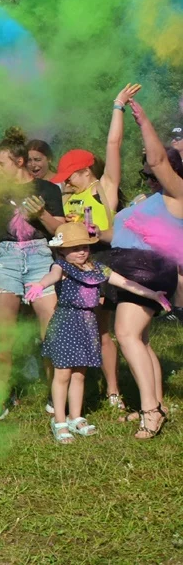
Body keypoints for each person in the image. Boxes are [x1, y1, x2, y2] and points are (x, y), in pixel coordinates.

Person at [27, 222, 170, 443]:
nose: (81, 251)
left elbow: (125, 282)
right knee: (63, 374)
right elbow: (52, 277)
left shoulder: (97, 268)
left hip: (87, 325)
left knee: (79, 374)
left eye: (84, 246)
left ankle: (76, 417)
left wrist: (153, 295)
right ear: (61, 250)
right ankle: (59, 420)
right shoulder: (61, 267)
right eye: (74, 248)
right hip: (66, 324)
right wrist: (39, 285)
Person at [50, 83, 139, 411]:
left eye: (70, 176)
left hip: (101, 259)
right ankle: (77, 389)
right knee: (80, 327)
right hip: (73, 263)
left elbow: (113, 144)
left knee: (102, 330)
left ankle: (113, 391)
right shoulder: (69, 196)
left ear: (86, 171)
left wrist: (118, 107)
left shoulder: (104, 187)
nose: (66, 181)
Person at [101, 97, 183, 438]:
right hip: (129, 270)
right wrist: (90, 228)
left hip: (149, 270)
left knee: (126, 334)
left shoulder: (177, 193)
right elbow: (112, 235)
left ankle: (150, 411)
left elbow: (160, 157)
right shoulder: (144, 203)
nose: (149, 175)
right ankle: (156, 404)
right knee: (142, 340)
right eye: (145, 174)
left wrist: (142, 118)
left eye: (153, 172)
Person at [0, 128, 64, 418]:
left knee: (50, 330)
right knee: (2, 334)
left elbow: (61, 233)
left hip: (40, 257)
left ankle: (57, 396)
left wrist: (42, 215)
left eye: (0, 163)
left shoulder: (48, 190)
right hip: (5, 258)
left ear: (18, 161)